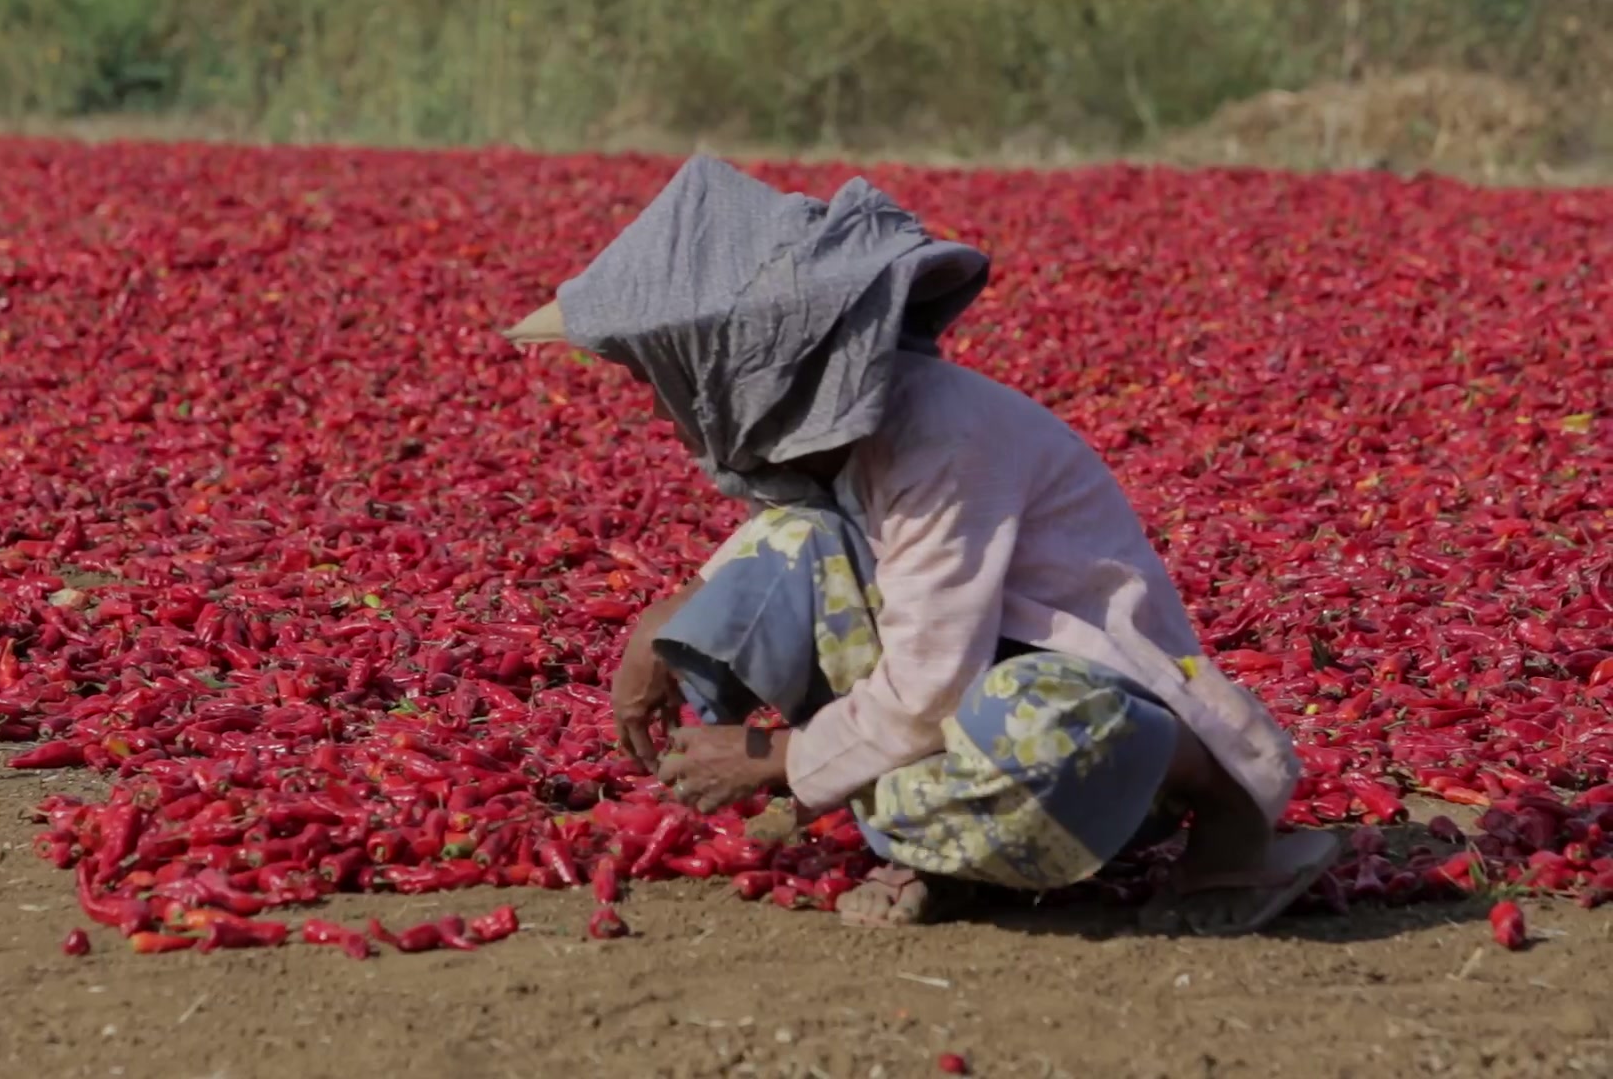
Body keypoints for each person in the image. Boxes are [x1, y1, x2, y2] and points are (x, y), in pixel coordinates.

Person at [503, 156, 1339, 935]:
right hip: (969, 690)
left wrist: (772, 758)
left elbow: (930, 691)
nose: (659, 410)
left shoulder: (941, 441)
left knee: (1034, 731)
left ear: (736, 367)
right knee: (792, 549)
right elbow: (797, 553)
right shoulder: (844, 447)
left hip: (1090, 716)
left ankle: (1216, 798)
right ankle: (954, 861)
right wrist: (666, 627)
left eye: (662, 382)